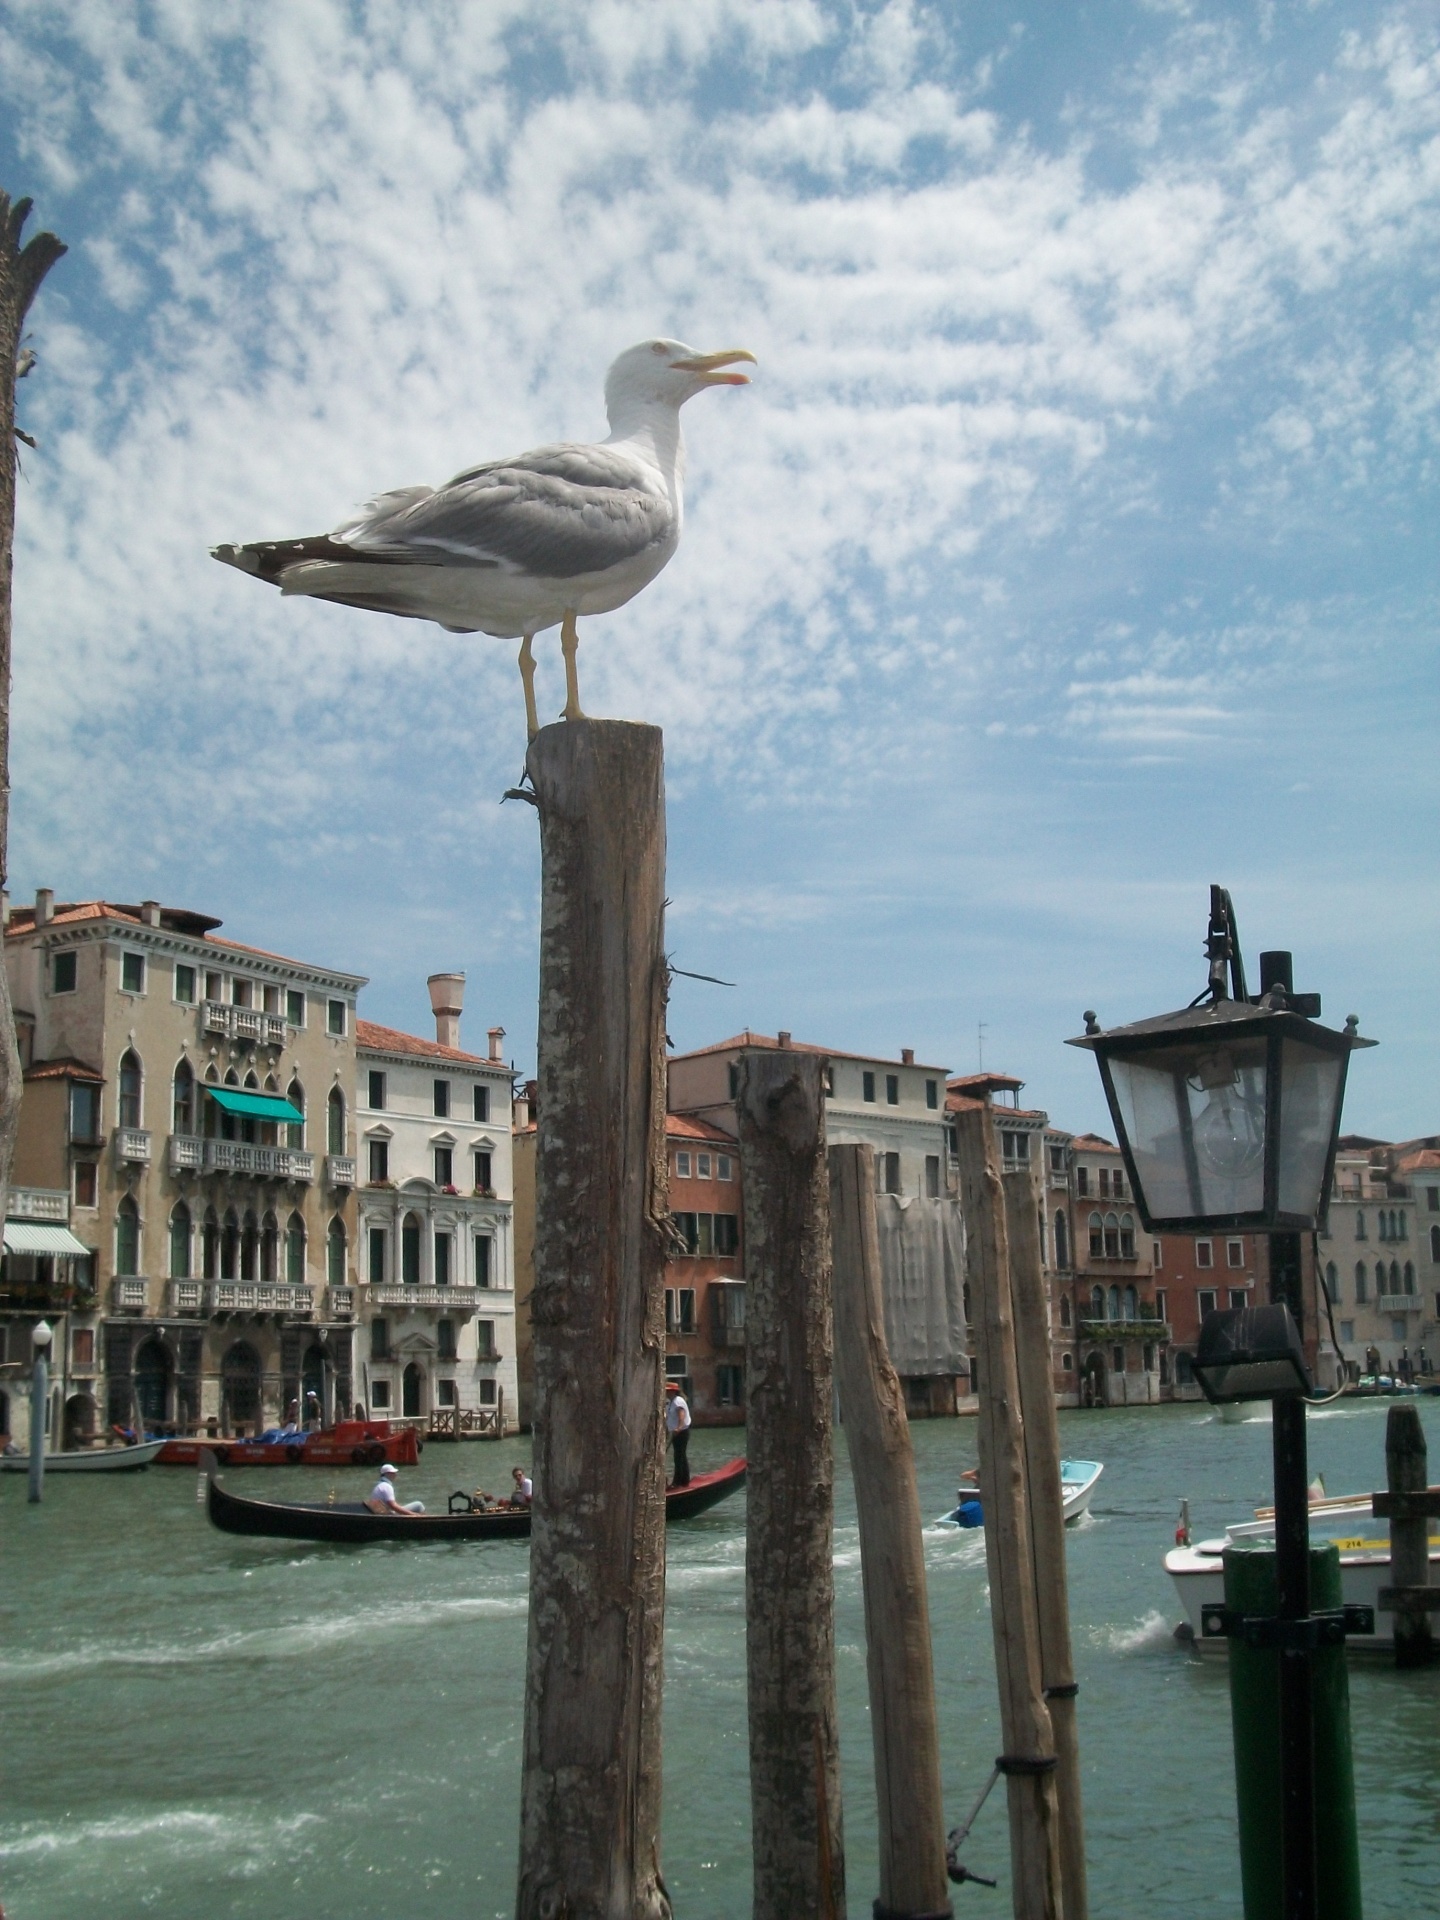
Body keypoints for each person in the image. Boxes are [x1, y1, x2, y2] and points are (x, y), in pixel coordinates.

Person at [665, 1381, 692, 1488]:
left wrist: (679, 1428)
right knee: (680, 1455)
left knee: (679, 1456)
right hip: (676, 1432)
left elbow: (681, 1415)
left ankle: (677, 1482)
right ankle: (684, 1480)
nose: (665, 1393)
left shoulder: (678, 1401)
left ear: (672, 1391)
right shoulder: (670, 1402)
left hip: (682, 1431)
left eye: (667, 1391)